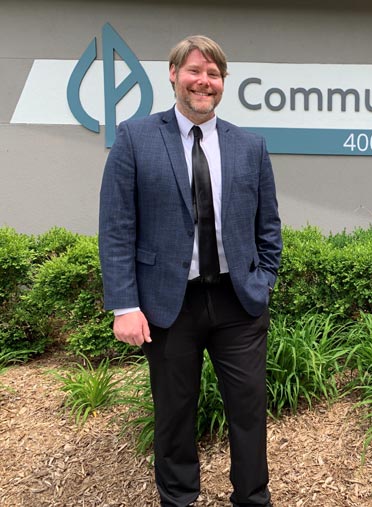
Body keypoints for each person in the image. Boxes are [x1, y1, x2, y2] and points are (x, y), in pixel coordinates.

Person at [99, 35, 281, 507]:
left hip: (237, 302)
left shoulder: (250, 146)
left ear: (223, 82)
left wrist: (264, 281)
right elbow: (117, 227)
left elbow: (269, 227)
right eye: (195, 71)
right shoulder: (136, 137)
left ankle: (252, 498)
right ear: (174, 74)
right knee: (175, 412)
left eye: (214, 74)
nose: (204, 82)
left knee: (248, 410)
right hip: (168, 303)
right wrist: (125, 304)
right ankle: (178, 499)